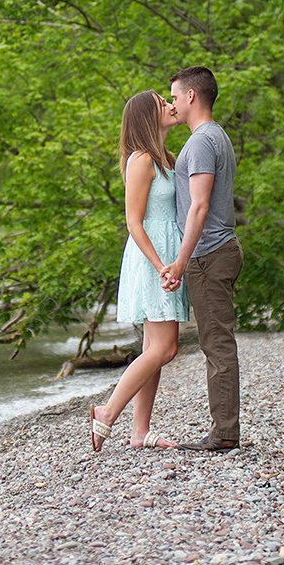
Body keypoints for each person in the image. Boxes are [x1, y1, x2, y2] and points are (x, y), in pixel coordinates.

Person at [90, 90, 189, 452]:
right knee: (165, 348)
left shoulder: (168, 158)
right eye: (163, 102)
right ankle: (107, 411)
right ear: (148, 115)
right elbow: (134, 223)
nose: (170, 105)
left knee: (153, 347)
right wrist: (161, 264)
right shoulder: (141, 160)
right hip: (152, 258)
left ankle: (140, 430)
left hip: (168, 255)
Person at [160, 66, 243, 452]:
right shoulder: (216, 137)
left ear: (191, 96)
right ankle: (224, 429)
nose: (172, 103)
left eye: (174, 96)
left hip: (209, 255)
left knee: (217, 344)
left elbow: (199, 206)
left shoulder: (199, 143)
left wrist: (180, 260)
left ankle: (224, 433)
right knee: (217, 342)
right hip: (215, 251)